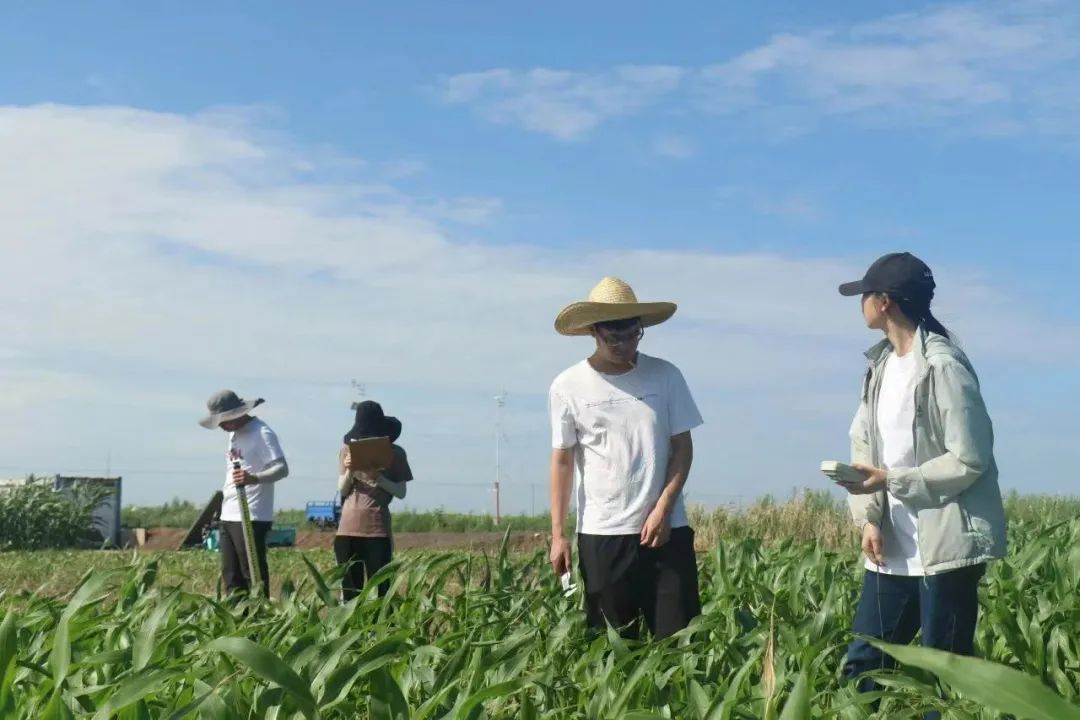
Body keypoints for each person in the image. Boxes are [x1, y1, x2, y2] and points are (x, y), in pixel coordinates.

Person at [834, 253, 1006, 715]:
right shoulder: (881, 366)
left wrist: (894, 480)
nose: (861, 304)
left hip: (944, 549)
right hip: (891, 547)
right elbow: (865, 443)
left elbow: (970, 459)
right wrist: (870, 519)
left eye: (865, 295)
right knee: (863, 665)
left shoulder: (944, 366)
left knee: (943, 680)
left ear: (884, 302)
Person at [548, 276, 703, 640]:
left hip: (666, 530)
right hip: (603, 532)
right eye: (613, 338)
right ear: (593, 333)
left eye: (632, 335)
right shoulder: (568, 385)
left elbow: (683, 447)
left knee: (679, 642)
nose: (623, 345)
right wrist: (558, 535)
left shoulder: (665, 375)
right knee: (613, 648)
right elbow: (563, 462)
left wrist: (664, 509)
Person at [199, 389, 289, 598]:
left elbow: (282, 469)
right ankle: (237, 622)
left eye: (223, 421)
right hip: (228, 513)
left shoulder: (262, 433)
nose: (221, 426)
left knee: (253, 575)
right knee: (231, 576)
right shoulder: (233, 434)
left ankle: (260, 622)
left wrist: (254, 479)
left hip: (252, 514)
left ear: (237, 414)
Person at [336, 400, 412, 601]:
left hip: (377, 528)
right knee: (349, 593)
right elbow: (342, 488)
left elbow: (401, 492)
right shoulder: (347, 450)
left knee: (381, 592)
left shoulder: (395, 453)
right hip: (347, 528)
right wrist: (350, 470)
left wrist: (376, 476)